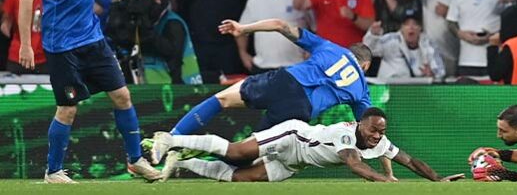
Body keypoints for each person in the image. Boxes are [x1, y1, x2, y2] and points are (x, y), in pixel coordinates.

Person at [16, 0, 161, 183]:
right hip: (63, 48)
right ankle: (53, 171)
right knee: (68, 109)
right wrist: (25, 44)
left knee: (123, 96)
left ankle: (135, 161)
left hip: (93, 42)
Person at [152, 18, 373, 144]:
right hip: (301, 110)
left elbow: (279, 24)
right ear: (366, 66)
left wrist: (243, 29)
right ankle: (205, 156)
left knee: (222, 99)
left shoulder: (330, 47)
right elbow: (371, 128)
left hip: (285, 82)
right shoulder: (362, 88)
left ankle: (172, 138)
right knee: (248, 150)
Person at [152, 108, 465, 182]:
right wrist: (387, 182)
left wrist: (437, 180)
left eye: (381, 133)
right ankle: (171, 139)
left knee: (240, 178)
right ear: (360, 125)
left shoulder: (379, 140)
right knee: (236, 152)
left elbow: (410, 161)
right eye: (372, 131)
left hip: (296, 161)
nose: (377, 137)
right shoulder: (346, 133)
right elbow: (355, 165)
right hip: (292, 136)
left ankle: (179, 163)